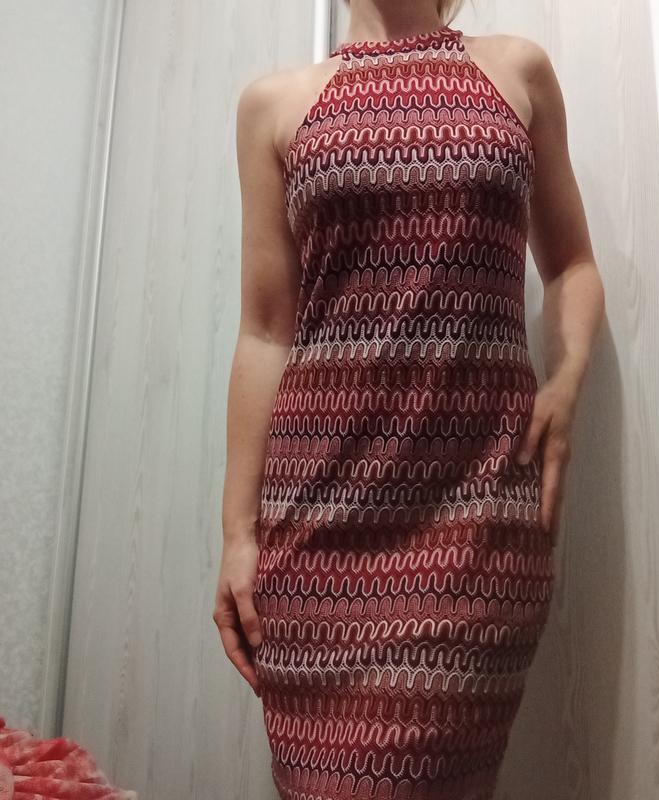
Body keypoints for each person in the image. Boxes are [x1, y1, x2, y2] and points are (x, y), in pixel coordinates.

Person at [215, 0, 605, 796]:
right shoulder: (273, 106)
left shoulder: (515, 72)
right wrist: (237, 534)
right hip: (314, 531)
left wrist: (566, 382)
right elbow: (264, 331)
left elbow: (572, 264)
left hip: (475, 524)